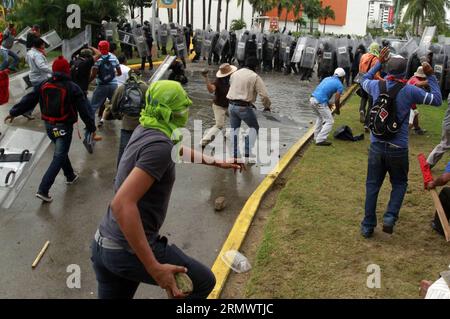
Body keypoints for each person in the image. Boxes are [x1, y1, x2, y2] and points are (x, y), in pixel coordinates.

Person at [91, 80, 244, 299]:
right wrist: (154, 267)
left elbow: (175, 149)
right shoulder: (159, 145)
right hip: (126, 250)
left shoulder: (146, 126)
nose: (185, 112)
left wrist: (216, 162)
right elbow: (122, 204)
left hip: (103, 244)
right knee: (203, 283)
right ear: (169, 110)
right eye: (182, 107)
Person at [359, 48, 442, 238]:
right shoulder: (410, 90)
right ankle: (389, 217)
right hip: (399, 148)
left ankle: (367, 226)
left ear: (387, 69)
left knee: (372, 186)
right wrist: (431, 76)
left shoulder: (374, 86)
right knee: (399, 183)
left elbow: (361, 79)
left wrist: (378, 63)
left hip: (376, 146)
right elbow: (437, 100)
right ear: (405, 72)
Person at [4, 56, 96, 203]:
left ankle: (70, 175)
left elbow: (29, 99)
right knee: (59, 155)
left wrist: (13, 112)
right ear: (67, 70)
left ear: (54, 70)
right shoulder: (73, 87)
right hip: (64, 127)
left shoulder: (44, 84)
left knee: (61, 151)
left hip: (49, 126)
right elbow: (85, 110)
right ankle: (43, 189)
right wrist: (91, 127)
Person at [226, 56, 271, 159]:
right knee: (254, 128)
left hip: (231, 106)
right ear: (255, 66)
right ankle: (247, 149)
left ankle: (235, 154)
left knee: (234, 130)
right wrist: (267, 107)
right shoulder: (255, 77)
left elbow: (234, 87)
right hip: (243, 108)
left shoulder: (235, 73)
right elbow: (264, 95)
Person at [111, 71, 148, 165]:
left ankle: (119, 177)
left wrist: (119, 116)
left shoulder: (121, 89)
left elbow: (113, 108)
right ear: (139, 76)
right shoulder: (145, 88)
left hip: (126, 126)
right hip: (143, 126)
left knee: (123, 154)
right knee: (143, 153)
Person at [200, 63, 237, 147]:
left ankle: (227, 135)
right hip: (219, 106)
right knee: (219, 125)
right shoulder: (218, 81)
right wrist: (206, 78)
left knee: (236, 120)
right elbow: (211, 90)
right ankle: (203, 142)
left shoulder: (233, 79)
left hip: (229, 105)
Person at [89, 40, 122, 133]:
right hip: (113, 86)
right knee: (115, 105)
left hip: (102, 86)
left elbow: (93, 74)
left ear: (99, 48)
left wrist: (87, 82)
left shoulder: (97, 59)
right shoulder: (114, 57)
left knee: (93, 106)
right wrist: (111, 75)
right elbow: (119, 73)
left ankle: (90, 128)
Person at [309, 68, 345, 146]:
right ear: (342, 77)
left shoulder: (327, 78)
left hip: (312, 99)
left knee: (320, 117)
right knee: (330, 121)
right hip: (319, 102)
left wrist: (327, 103)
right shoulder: (339, 85)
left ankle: (316, 137)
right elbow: (337, 99)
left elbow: (323, 91)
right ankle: (320, 139)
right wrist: (337, 110)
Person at [22, 38, 53, 119]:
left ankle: (27, 111)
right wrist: (53, 72)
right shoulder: (37, 55)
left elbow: (26, 60)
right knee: (42, 97)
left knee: (37, 96)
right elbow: (41, 66)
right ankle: (45, 114)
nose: (44, 45)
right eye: (43, 44)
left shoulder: (30, 52)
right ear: (40, 45)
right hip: (40, 78)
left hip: (34, 77)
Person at [358, 42, 382, 125]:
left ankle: (361, 110)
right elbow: (376, 74)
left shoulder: (364, 56)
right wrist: (382, 80)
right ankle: (367, 124)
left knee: (363, 98)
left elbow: (360, 68)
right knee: (371, 102)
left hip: (361, 79)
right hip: (371, 82)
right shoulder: (376, 59)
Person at [428, 94, 450, 168]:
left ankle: (429, 163)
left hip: (447, 124)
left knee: (444, 144)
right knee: (444, 144)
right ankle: (428, 164)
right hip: (448, 124)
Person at [406, 66, 428, 135]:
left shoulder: (414, 78)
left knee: (416, 113)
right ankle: (400, 132)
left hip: (410, 100)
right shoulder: (415, 80)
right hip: (407, 101)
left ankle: (417, 129)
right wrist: (428, 81)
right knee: (410, 123)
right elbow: (418, 84)